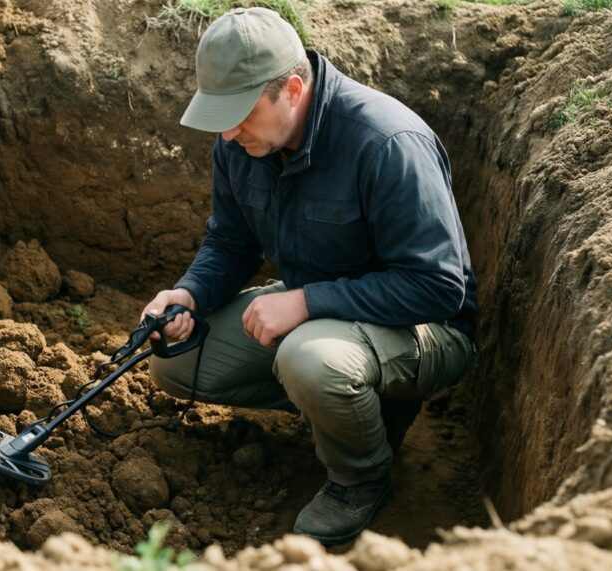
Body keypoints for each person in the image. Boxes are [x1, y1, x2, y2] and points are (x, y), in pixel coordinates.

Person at [142, 7, 479, 546]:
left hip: (426, 330)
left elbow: (437, 287)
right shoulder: (242, 142)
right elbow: (231, 241)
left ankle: (361, 475)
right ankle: (348, 407)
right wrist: (190, 293)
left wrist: (305, 303)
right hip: (325, 318)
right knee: (176, 362)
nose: (227, 133)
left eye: (240, 114)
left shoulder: (386, 142)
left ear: (293, 89)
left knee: (310, 360)